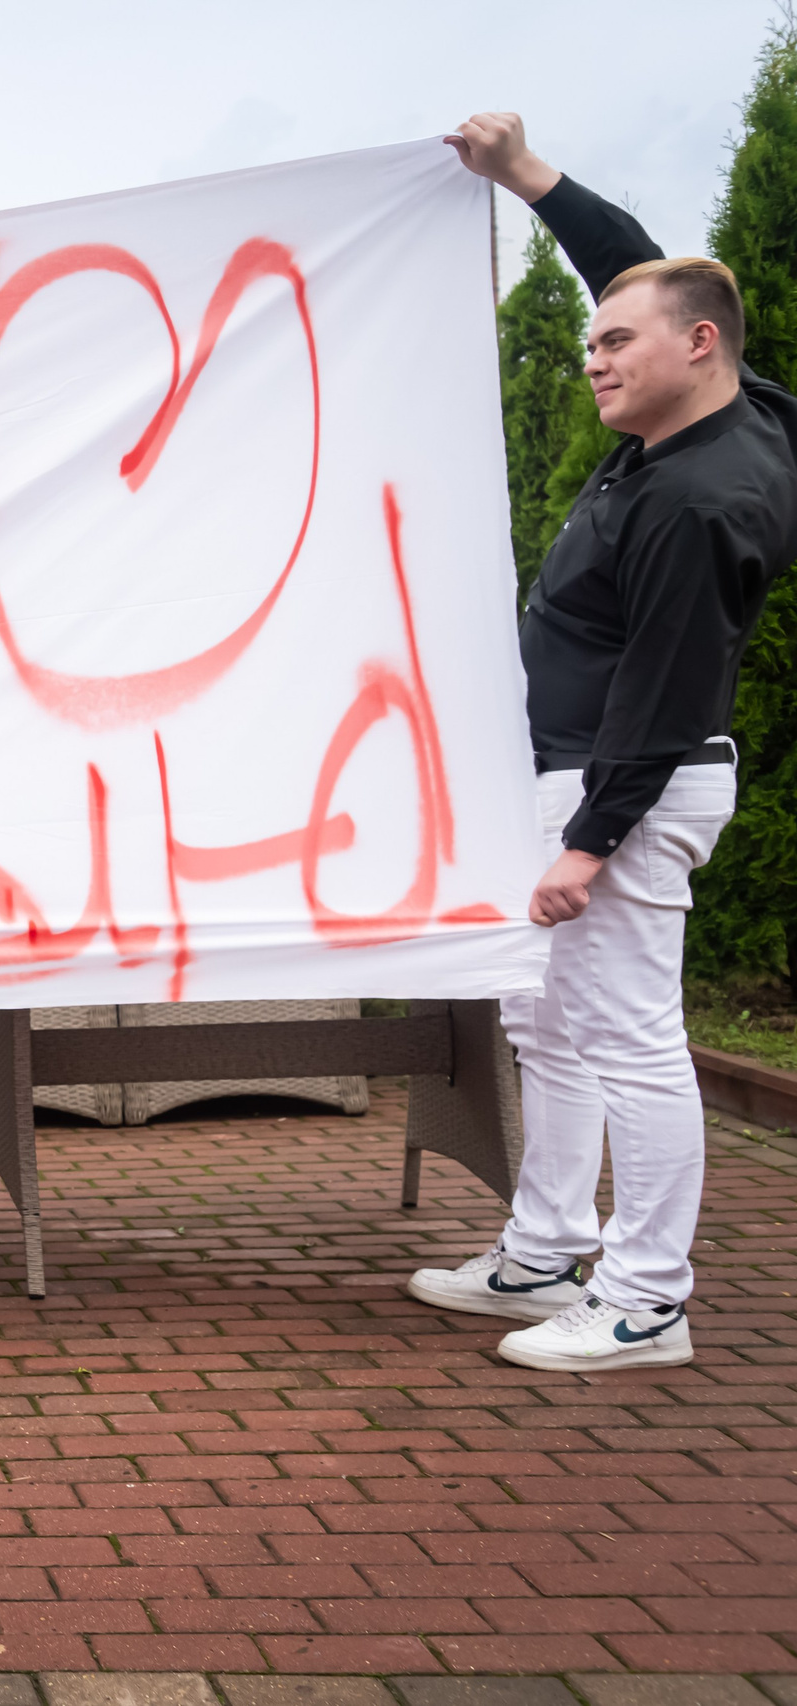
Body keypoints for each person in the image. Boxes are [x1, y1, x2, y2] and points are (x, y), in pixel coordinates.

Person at [409, 115, 797, 1371]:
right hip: (581, 774)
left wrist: (588, 841)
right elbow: (637, 273)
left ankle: (645, 1300)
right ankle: (545, 1244)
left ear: (698, 350)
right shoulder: (717, 409)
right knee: (549, 1025)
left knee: (628, 1036)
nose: (590, 358)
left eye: (612, 342)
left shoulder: (699, 496)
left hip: (621, 785)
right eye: (587, 341)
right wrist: (529, 178)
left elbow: (668, 687)